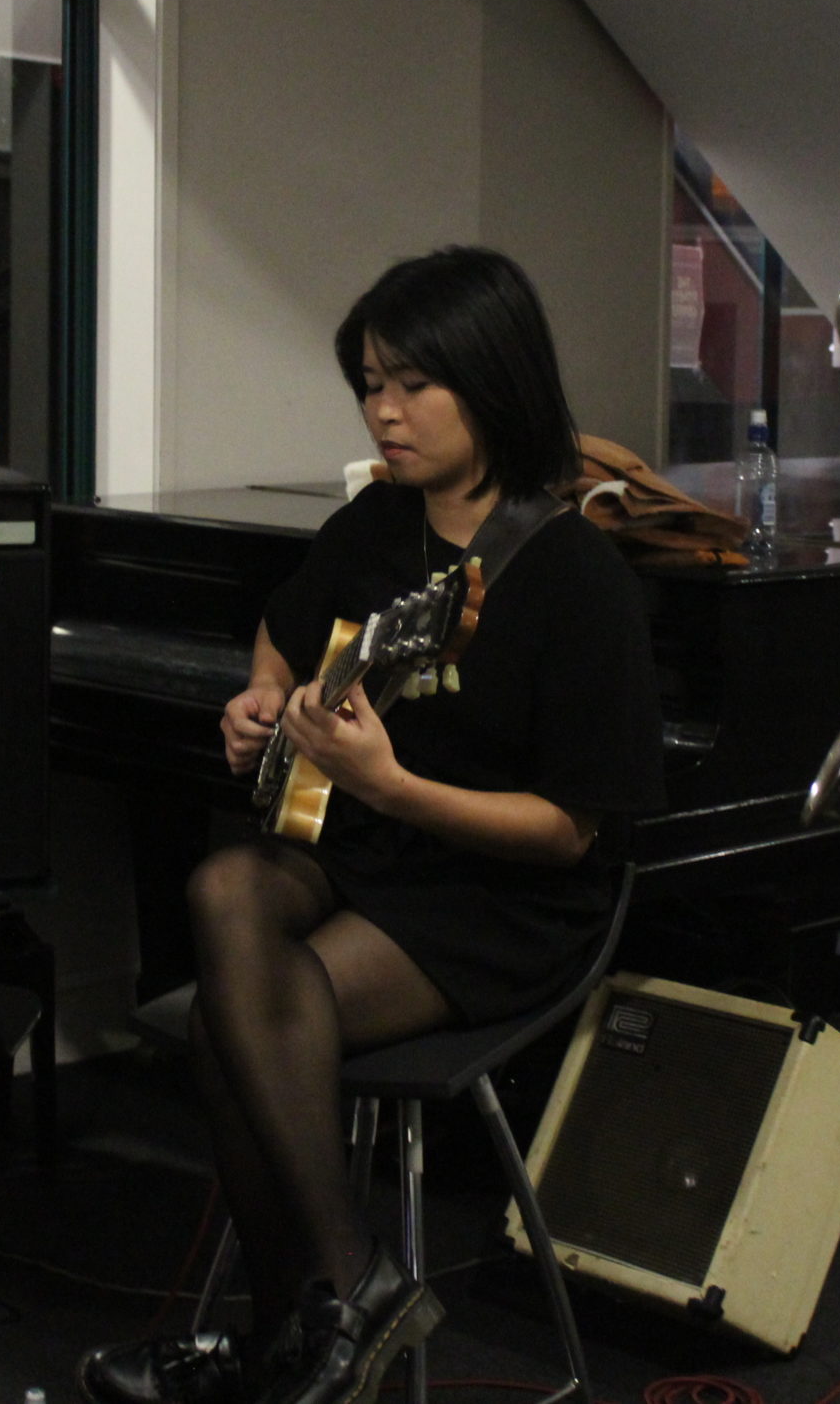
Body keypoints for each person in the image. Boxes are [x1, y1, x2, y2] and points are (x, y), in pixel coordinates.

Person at [79, 247, 665, 1404]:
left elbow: (568, 834)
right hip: (368, 849)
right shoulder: (377, 523)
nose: (382, 412)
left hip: (498, 899)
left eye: (411, 385)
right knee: (222, 891)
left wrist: (391, 786)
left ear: (490, 380)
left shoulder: (576, 579)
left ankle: (286, 1333)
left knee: (233, 1023)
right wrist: (259, 701)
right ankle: (345, 1296)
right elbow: (285, 626)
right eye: (368, 386)